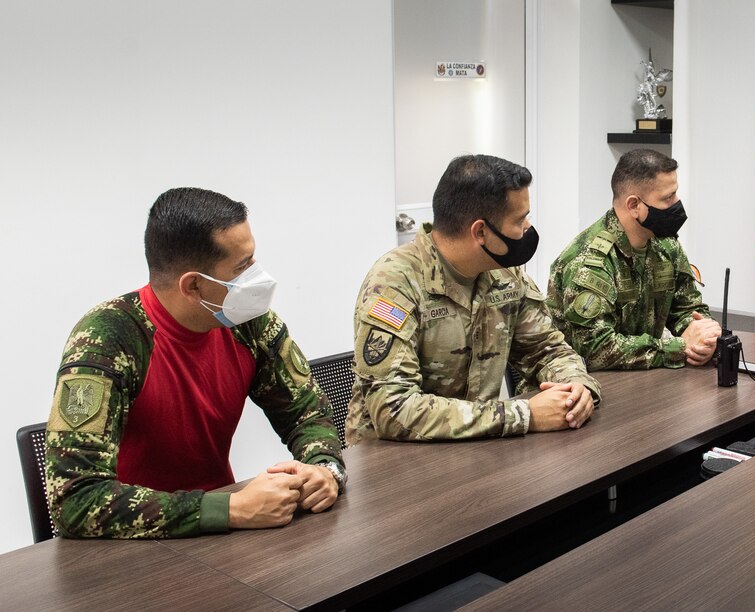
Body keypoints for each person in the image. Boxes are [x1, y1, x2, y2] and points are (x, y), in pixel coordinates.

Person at [46, 188, 345, 539]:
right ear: (193, 286)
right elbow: (75, 500)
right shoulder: (108, 337)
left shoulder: (250, 324)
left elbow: (306, 412)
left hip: (225, 535)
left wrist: (323, 469)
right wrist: (228, 508)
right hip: (131, 551)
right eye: (242, 266)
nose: (257, 276)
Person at [346, 154, 601, 443]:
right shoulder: (395, 282)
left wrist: (577, 388)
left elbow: (546, 350)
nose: (527, 227)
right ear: (480, 231)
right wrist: (522, 415)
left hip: (476, 450)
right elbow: (394, 409)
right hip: (396, 465)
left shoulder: (505, 274)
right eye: (520, 219)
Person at [546, 149, 720, 370]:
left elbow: (687, 307)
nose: (676, 204)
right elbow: (597, 349)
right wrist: (678, 347)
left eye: (675, 194)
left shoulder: (665, 244)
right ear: (634, 205)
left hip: (644, 381)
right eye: (668, 198)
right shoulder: (588, 262)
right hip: (584, 388)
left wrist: (703, 338)